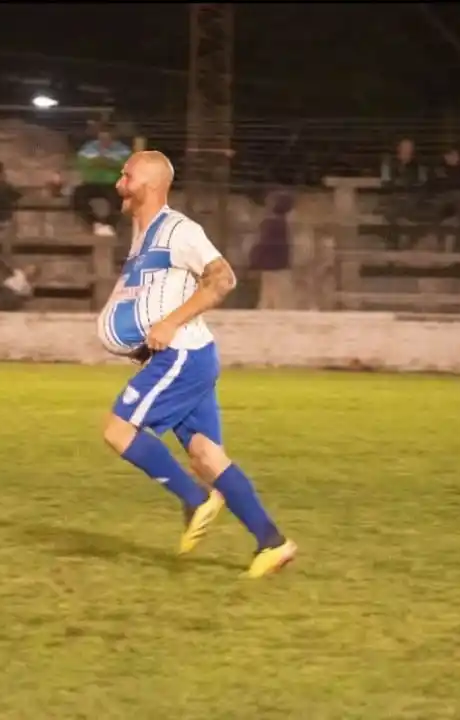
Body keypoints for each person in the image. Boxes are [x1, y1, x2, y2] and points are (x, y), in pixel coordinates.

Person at [96, 150, 296, 579]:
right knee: (206, 455)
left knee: (118, 430)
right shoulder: (143, 235)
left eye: (125, 175)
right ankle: (272, 543)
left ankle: (195, 500)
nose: (118, 183)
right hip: (189, 355)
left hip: (182, 355)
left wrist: (169, 325)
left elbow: (223, 279)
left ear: (148, 184)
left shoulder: (179, 230)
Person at [74, 128, 131, 236]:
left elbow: (125, 165)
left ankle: (109, 224)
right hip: (91, 182)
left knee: (120, 200)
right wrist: (109, 163)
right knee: (78, 195)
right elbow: (83, 162)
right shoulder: (89, 148)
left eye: (107, 138)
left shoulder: (122, 150)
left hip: (112, 183)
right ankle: (95, 222)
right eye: (102, 138)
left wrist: (101, 162)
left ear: (112, 137)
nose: (104, 141)